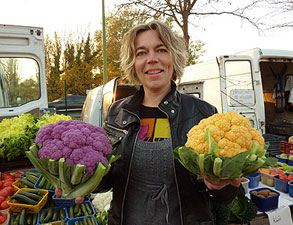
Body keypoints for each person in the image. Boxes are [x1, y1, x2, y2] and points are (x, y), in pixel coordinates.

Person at [57, 20, 241, 225]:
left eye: (161, 50)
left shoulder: (203, 114)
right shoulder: (117, 112)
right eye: (141, 53)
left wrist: (221, 185)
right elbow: (108, 178)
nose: (151, 59)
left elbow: (227, 196)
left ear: (174, 58)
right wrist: (79, 182)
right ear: (133, 64)